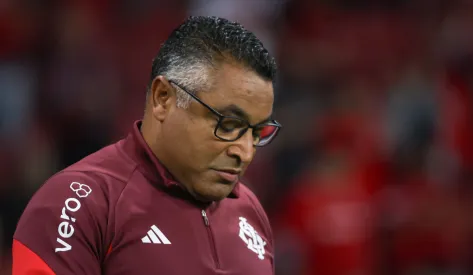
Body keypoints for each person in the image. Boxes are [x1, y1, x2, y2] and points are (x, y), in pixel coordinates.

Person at [12, 16, 281, 275]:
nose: (245, 152)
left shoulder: (250, 209)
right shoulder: (78, 203)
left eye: (257, 132)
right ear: (163, 98)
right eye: (229, 125)